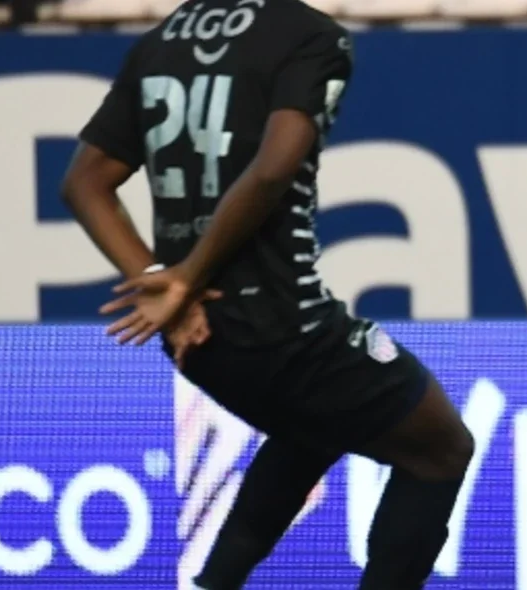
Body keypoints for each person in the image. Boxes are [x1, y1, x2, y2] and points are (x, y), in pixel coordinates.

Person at [60, 1, 475, 588]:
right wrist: (185, 279)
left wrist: (172, 288)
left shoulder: (164, 37)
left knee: (315, 424)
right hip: (284, 324)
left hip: (198, 335)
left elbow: (82, 182)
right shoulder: (310, 35)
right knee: (441, 448)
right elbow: (274, 167)